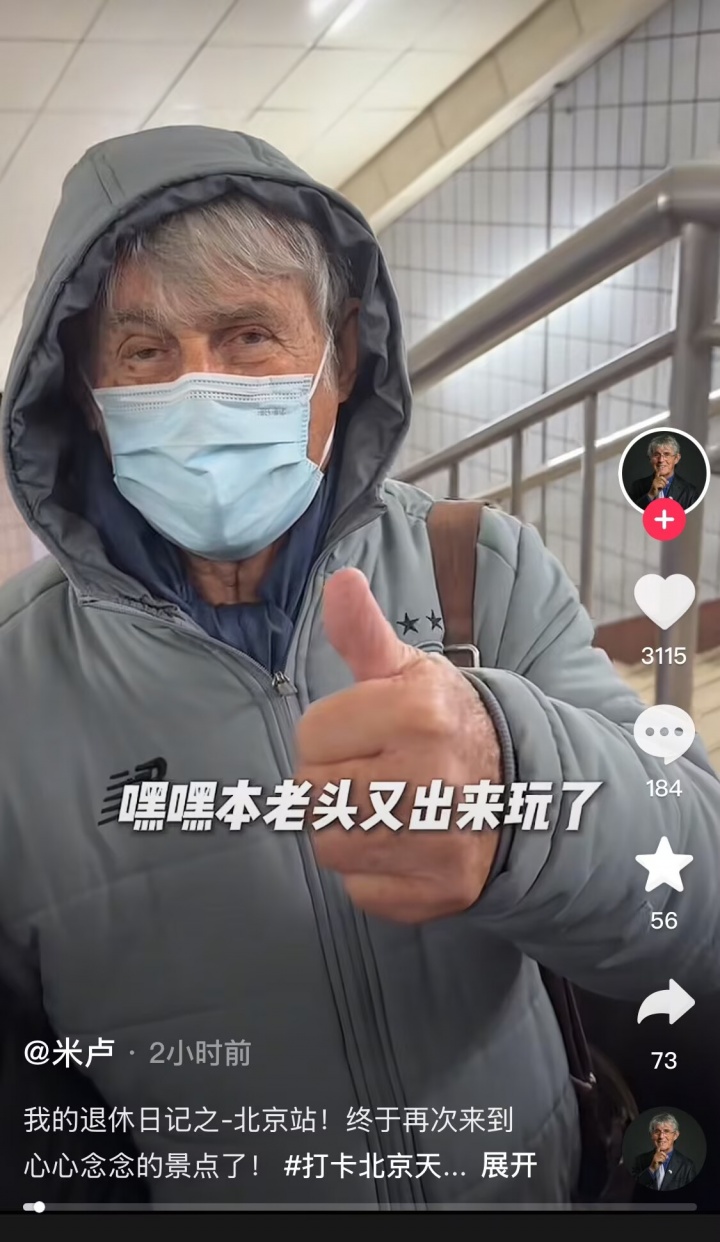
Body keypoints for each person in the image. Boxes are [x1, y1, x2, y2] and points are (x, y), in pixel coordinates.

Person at [0, 125, 719, 1210]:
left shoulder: (477, 572)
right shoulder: (17, 688)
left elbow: (696, 903)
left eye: (249, 335)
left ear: (340, 357)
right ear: (88, 398)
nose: (199, 393)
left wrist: (521, 789)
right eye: (143, 352)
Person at [628, 434, 700, 510]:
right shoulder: (637, 487)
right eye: (656, 455)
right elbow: (631, 513)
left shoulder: (690, 492)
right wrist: (650, 494)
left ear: (676, 458)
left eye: (667, 454)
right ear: (650, 458)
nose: (661, 460)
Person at [630, 1114, 697, 1191]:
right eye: (657, 1132)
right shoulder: (639, 1161)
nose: (661, 1136)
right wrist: (651, 1169)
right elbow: (632, 1190)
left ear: (675, 1135)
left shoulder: (687, 1166)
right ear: (651, 1135)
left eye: (666, 1131)